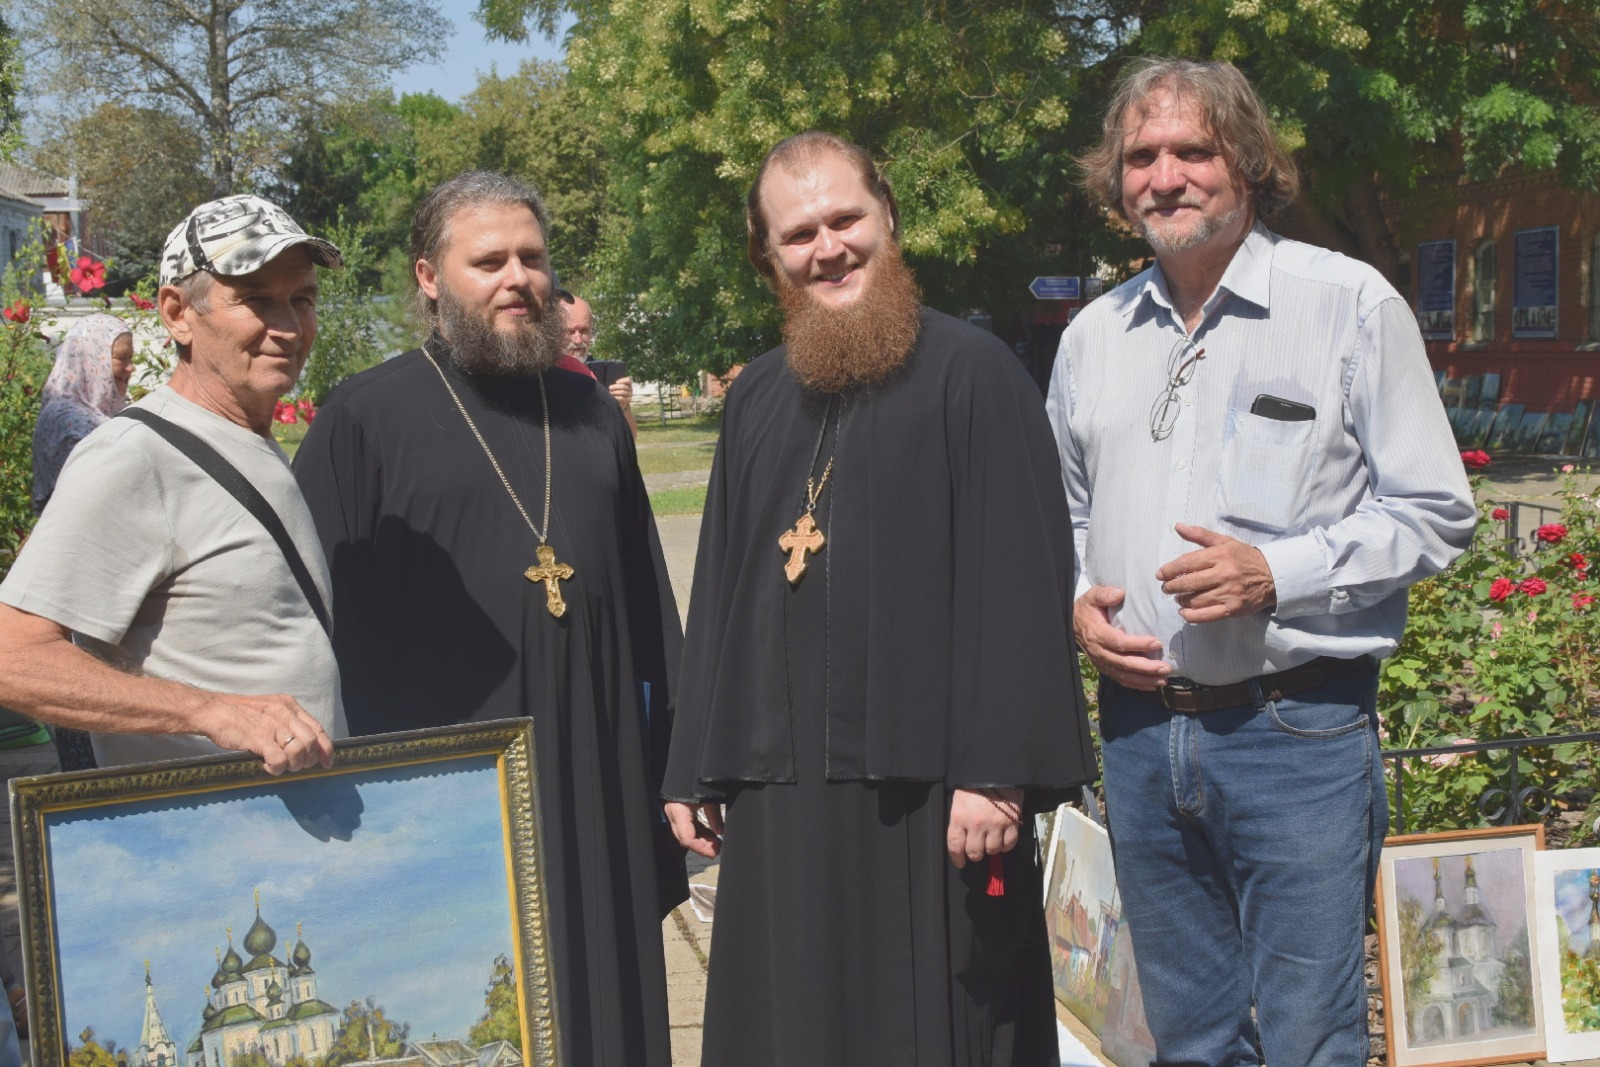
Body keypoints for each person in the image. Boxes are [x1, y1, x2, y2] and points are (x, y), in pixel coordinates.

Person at [1048, 58, 1477, 1066]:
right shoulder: (1092, 338)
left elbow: (1434, 510)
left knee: (1309, 1040)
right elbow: (1064, 516)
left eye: (1192, 150)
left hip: (1296, 729)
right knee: (1188, 1040)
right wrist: (1076, 602)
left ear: (1246, 161)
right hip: (1144, 735)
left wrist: (1276, 572)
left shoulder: (1346, 305)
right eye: (1140, 157)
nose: (1165, 176)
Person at [663, 131, 1096, 1067]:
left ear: (888, 217)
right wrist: (693, 762)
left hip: (932, 794)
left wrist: (996, 770)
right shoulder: (758, 397)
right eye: (798, 234)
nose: (828, 248)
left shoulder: (972, 372)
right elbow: (728, 584)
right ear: (767, 256)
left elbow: (1019, 579)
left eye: (845, 219)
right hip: (783, 797)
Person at [292, 171, 685, 1067]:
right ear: (429, 276)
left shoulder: (591, 413)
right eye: (490, 260)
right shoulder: (366, 416)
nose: (519, 278)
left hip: (596, 775)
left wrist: (682, 763)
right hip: (447, 794)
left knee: (607, 1006)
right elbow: (317, 626)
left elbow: (651, 601)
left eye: (533, 258)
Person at [0, 194, 346, 773]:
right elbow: (13, 657)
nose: (287, 327)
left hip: (285, 851)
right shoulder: (134, 456)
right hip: (201, 848)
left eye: (302, 300)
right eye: (256, 301)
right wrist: (211, 711)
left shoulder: (246, 439)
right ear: (177, 312)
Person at [31, 312, 135, 514]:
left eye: (130, 357)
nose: (130, 368)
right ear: (91, 360)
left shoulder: (96, 411)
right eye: (121, 358)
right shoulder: (67, 421)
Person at [558, 288, 638, 437]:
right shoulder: (541, 375)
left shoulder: (602, 374)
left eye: (584, 331)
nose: (578, 340)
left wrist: (624, 406)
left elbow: (630, 438)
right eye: (570, 332)